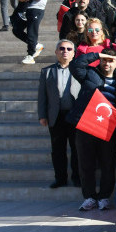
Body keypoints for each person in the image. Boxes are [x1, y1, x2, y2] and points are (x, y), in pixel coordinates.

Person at [69, 50, 116, 211]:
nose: (107, 64)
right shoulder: (89, 74)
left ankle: (103, 197)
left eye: (111, 61)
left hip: (107, 127)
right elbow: (75, 65)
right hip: (86, 125)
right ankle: (89, 197)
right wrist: (97, 55)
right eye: (105, 60)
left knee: (107, 163)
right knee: (85, 163)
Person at [38, 40, 82, 188]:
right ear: (56, 52)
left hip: (74, 115)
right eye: (61, 48)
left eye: (69, 49)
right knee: (57, 149)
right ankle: (60, 178)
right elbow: (42, 96)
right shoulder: (47, 71)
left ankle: (77, 177)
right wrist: (42, 115)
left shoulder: (79, 70)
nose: (65, 51)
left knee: (76, 149)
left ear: (74, 53)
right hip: (56, 116)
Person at [12, 0, 51, 64]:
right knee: (16, 29)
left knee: (31, 32)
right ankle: (36, 45)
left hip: (36, 9)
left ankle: (30, 55)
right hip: (25, 8)